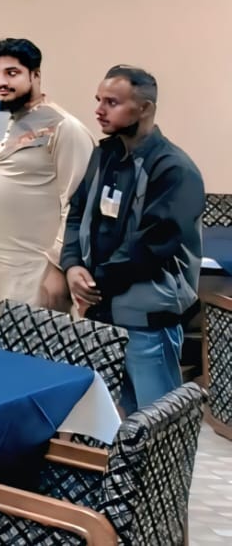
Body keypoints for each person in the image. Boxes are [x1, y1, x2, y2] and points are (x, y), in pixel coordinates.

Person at [62, 66, 203, 411]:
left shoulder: (174, 169)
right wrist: (72, 264)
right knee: (113, 416)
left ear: (145, 108)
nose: (99, 110)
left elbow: (153, 246)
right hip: (103, 309)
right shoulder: (105, 154)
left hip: (147, 318)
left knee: (157, 419)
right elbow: (77, 212)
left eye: (112, 102)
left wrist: (95, 284)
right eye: (98, 100)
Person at [0, 38, 94, 344]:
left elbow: (77, 204)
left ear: (35, 74)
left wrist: (58, 267)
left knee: (26, 354)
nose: (1, 82)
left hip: (34, 270)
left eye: (12, 73)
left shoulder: (65, 128)